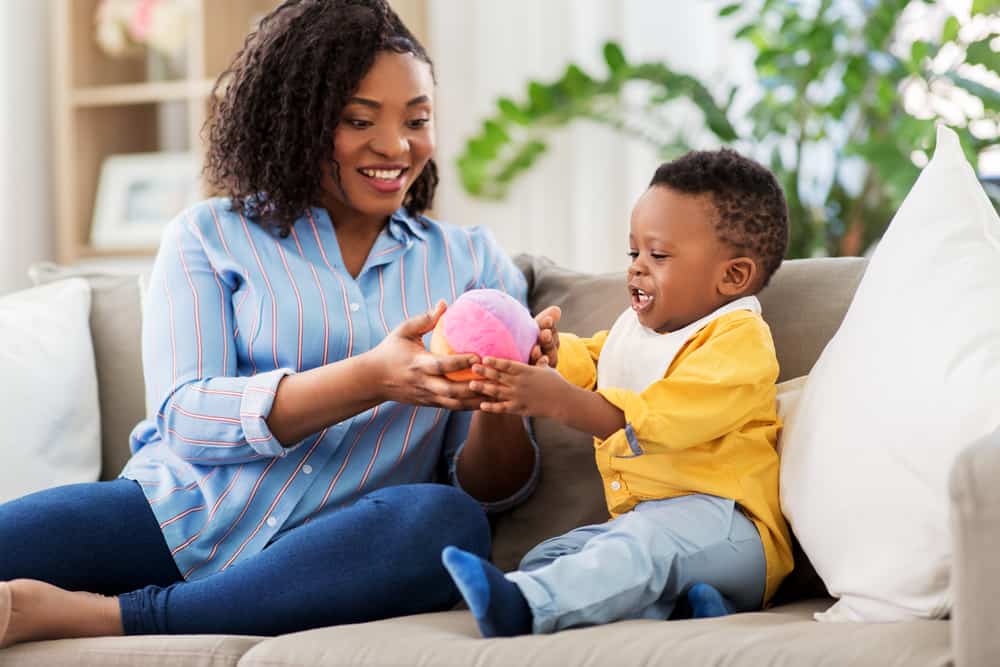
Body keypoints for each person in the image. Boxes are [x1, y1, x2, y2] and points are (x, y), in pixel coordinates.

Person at [0, 0, 560, 647]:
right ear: (297, 120)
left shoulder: (472, 263)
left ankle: (118, 616)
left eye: (418, 119)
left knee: (450, 522)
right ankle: (207, 603)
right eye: (359, 120)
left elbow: (489, 488)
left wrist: (501, 395)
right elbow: (186, 416)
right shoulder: (209, 235)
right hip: (170, 513)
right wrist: (372, 378)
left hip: (333, 550)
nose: (396, 146)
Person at [440, 148, 796, 637]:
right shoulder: (639, 332)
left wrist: (559, 400)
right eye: (634, 253)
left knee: (637, 544)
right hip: (661, 531)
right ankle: (694, 608)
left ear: (732, 276)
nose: (636, 269)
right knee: (552, 555)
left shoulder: (739, 342)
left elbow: (665, 418)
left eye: (659, 255)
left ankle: (523, 607)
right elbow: (592, 360)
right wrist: (539, 350)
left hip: (732, 534)